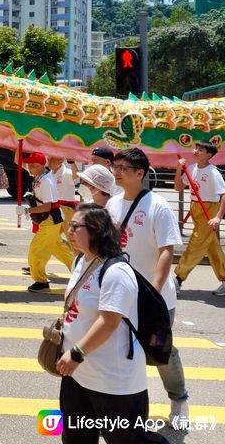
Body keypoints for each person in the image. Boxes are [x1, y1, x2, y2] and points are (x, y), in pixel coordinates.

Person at [57, 204, 169, 444]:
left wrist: (76, 353)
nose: (69, 231)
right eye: (70, 225)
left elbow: (109, 322)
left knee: (128, 439)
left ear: (96, 230)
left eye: (76, 226)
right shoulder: (81, 261)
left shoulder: (117, 271)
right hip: (78, 375)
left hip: (113, 381)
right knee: (75, 437)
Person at [108, 147, 189, 426]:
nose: (116, 172)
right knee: (123, 350)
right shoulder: (113, 204)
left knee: (161, 351)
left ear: (139, 173)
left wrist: (154, 291)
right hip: (121, 296)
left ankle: (179, 399)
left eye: (122, 168)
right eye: (115, 167)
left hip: (156, 297)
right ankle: (128, 407)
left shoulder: (157, 206)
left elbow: (167, 250)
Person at [173, 140, 225, 296]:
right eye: (196, 148)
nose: (195, 151)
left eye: (200, 150)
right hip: (196, 208)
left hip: (209, 209)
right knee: (212, 247)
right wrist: (178, 169)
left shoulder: (212, 172)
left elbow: (223, 194)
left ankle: (178, 278)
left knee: (195, 243)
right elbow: (178, 187)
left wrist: (217, 217)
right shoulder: (191, 168)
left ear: (209, 155)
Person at [21, 152, 74, 292]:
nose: (29, 168)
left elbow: (47, 205)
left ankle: (41, 282)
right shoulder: (39, 176)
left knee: (36, 250)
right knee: (59, 249)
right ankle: (79, 273)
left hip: (50, 219)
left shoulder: (46, 180)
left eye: (32, 165)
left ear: (40, 166)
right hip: (51, 218)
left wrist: (27, 211)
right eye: (28, 165)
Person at [49, 155, 78, 236]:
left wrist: (72, 163)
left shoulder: (67, 172)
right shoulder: (49, 174)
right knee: (53, 236)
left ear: (60, 161)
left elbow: (75, 175)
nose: (49, 162)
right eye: (48, 159)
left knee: (70, 237)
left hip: (66, 209)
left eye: (51, 159)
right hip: (53, 208)